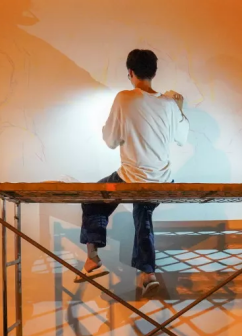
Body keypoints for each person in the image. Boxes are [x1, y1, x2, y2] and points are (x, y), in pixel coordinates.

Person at [78, 49, 189, 294]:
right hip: (162, 180)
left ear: (130, 72)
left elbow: (110, 140)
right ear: (154, 73)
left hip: (131, 177)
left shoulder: (124, 98)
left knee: (92, 198)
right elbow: (182, 138)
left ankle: (92, 257)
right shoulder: (169, 103)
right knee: (143, 214)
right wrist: (179, 108)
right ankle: (148, 274)